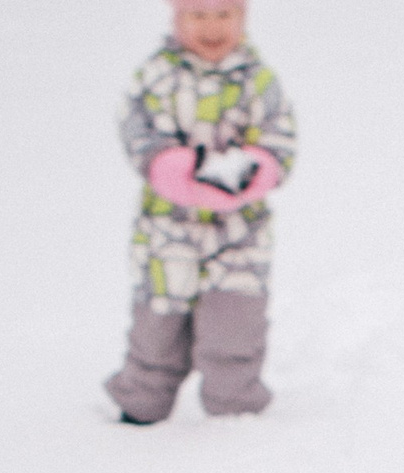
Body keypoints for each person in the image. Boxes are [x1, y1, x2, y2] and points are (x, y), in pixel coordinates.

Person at [103, 0, 297, 425]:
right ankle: (142, 405)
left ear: (242, 17)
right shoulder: (157, 75)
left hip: (240, 233)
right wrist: (166, 166)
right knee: (158, 323)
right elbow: (134, 126)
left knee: (235, 324)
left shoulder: (258, 80)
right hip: (167, 230)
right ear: (176, 17)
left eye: (224, 15)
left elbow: (280, 137)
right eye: (198, 15)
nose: (212, 27)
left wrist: (253, 171)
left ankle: (235, 411)